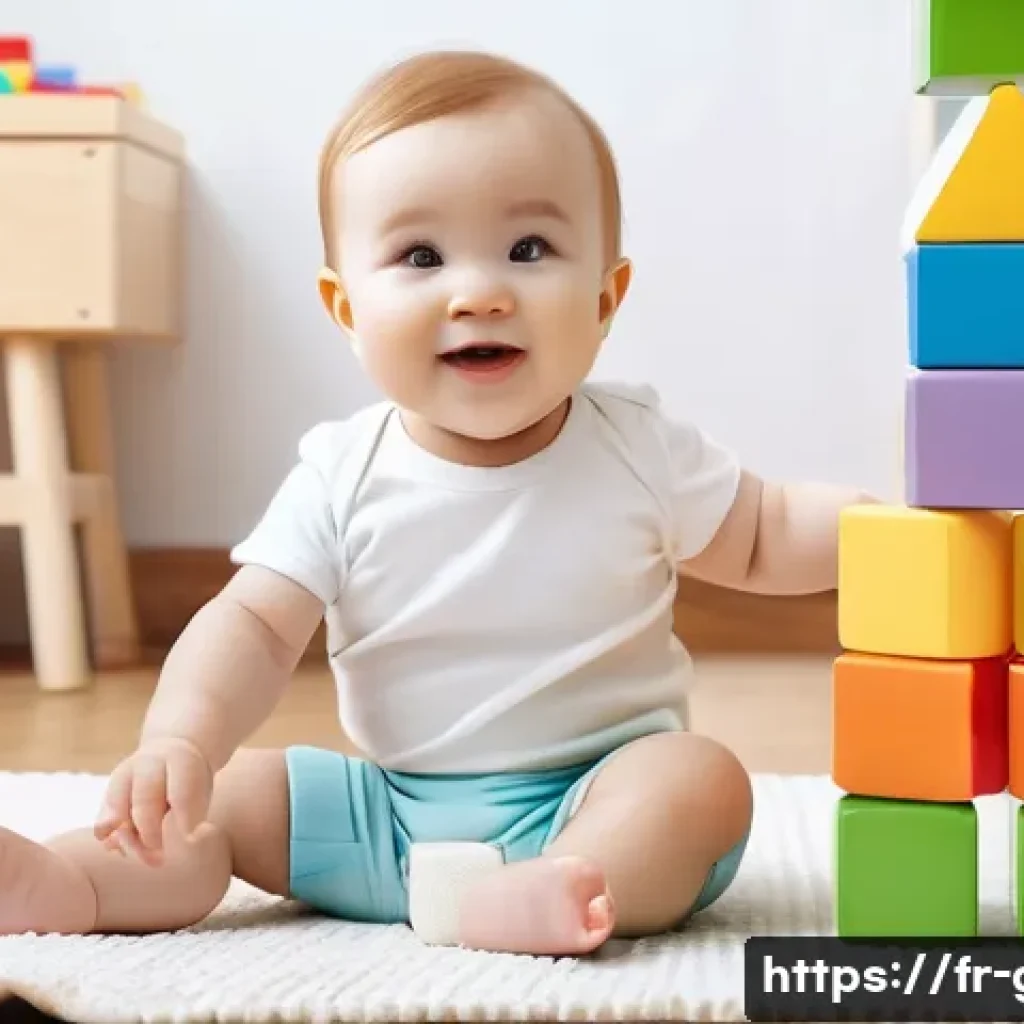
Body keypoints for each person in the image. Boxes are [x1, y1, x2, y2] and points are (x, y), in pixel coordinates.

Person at [0, 49, 873, 956]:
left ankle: (554, 891)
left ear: (605, 297)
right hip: (389, 820)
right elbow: (253, 625)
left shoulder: (636, 446)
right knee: (219, 798)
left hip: (595, 800)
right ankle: (73, 881)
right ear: (347, 310)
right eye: (421, 256)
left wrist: (889, 530)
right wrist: (179, 740)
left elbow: (765, 533)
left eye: (528, 250)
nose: (479, 293)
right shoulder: (342, 473)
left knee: (699, 781)